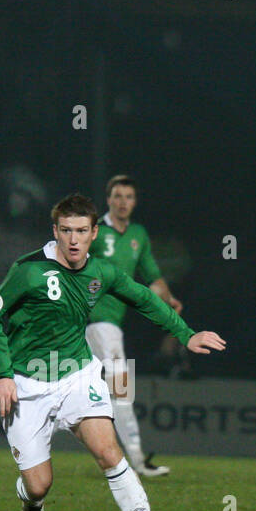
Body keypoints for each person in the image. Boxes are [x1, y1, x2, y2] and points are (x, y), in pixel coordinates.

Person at [0, 193, 225, 511]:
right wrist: (2, 374)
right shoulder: (28, 270)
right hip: (28, 386)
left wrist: (186, 334)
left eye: (81, 231)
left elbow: (144, 298)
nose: (73, 240)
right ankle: (32, 505)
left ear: (94, 232)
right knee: (39, 484)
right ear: (55, 232)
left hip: (78, 375)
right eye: (65, 231)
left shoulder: (102, 272)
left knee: (110, 454)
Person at [85, 175, 183, 477]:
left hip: (107, 324)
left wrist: (170, 300)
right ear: (109, 199)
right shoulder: (95, 231)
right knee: (121, 390)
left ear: (134, 202)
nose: (123, 201)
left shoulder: (138, 234)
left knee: (65, 387)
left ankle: (135, 459)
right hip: (93, 321)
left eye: (128, 196)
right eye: (117, 196)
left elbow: (153, 276)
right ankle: (138, 461)